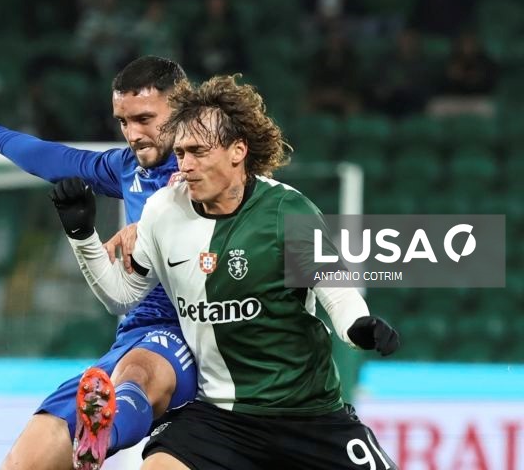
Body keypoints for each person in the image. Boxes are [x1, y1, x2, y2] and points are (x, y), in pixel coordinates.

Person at [50, 75, 400, 469]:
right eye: (181, 153)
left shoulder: (287, 210)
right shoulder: (163, 211)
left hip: (309, 417)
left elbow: (335, 291)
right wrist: (83, 236)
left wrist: (359, 328)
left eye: (199, 152)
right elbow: (122, 296)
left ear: (238, 150)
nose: (186, 166)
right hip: (220, 417)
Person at [0, 56, 198, 470]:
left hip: (198, 336)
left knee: (138, 373)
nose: (133, 135)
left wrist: (165, 220)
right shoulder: (127, 168)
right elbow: (57, 160)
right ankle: (96, 434)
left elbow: (306, 250)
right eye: (123, 121)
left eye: (145, 119)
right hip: (138, 330)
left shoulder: (221, 170)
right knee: (28, 458)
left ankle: (104, 434)